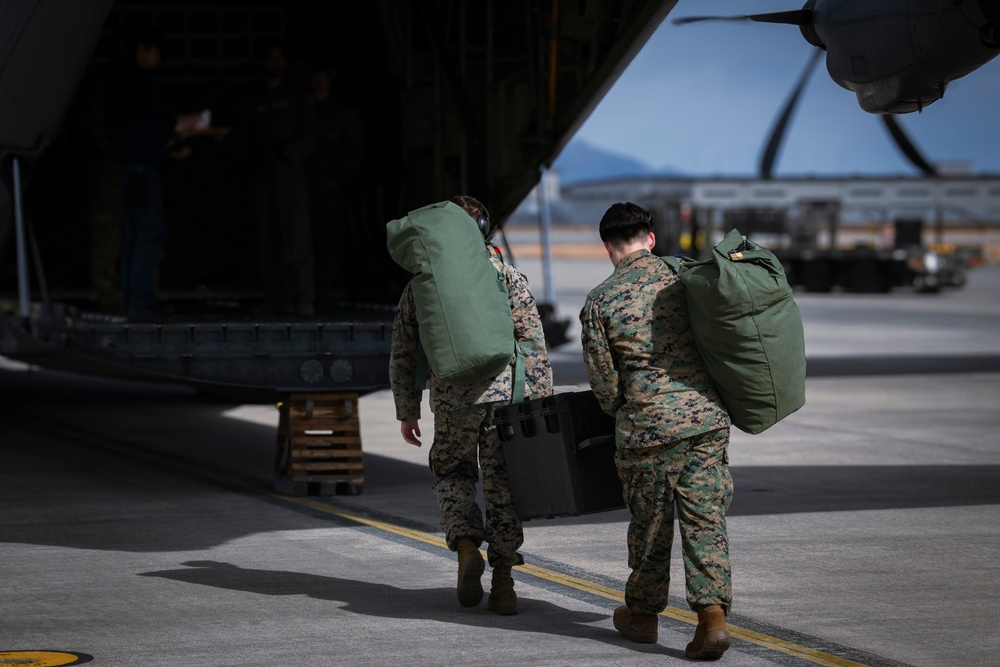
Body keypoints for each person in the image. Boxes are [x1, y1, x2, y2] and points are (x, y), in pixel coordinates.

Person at [579, 202, 733, 660]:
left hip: (647, 430)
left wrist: (629, 409)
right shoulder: (686, 280)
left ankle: (643, 617)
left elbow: (605, 388)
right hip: (704, 422)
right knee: (705, 521)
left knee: (650, 527)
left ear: (608, 247)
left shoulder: (600, 301)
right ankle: (712, 618)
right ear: (650, 239)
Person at [389, 195, 552, 615]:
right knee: (503, 486)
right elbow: (532, 341)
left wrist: (407, 409)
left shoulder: (422, 284)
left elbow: (404, 350)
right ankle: (503, 584)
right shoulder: (506, 273)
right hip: (505, 398)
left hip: (451, 397)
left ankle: (464, 544)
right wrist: (541, 403)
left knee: (452, 471)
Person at [106, 25, 199, 320]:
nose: (158, 57)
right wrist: (175, 123)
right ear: (143, 50)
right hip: (138, 167)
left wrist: (166, 149)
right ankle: (139, 303)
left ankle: (134, 302)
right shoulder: (132, 83)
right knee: (148, 232)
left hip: (139, 163)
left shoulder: (130, 81)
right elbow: (138, 124)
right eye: (155, 51)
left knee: (137, 234)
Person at [246, 40, 317, 317]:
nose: (275, 63)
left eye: (279, 58)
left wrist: (287, 153)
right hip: (263, 175)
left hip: (290, 175)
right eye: (270, 58)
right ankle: (277, 299)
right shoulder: (255, 96)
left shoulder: (296, 94)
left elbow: (311, 135)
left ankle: (304, 299)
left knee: (296, 237)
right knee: (268, 239)